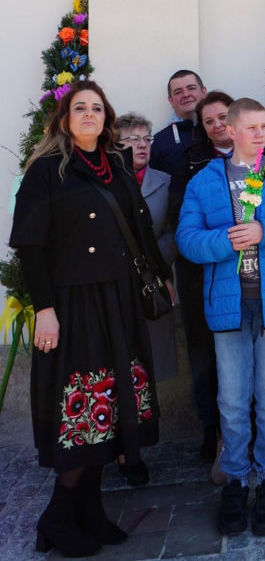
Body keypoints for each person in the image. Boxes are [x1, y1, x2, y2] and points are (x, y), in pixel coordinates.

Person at [10, 81, 174, 557]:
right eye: (79, 107)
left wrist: (160, 275)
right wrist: (45, 310)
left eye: (96, 108)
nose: (88, 114)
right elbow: (30, 247)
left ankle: (90, 511)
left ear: (106, 119)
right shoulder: (46, 171)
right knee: (80, 412)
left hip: (119, 300)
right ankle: (57, 519)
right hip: (73, 304)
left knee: (112, 407)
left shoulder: (115, 164)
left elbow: (139, 227)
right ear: (65, 119)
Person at [176, 97, 265, 537]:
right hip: (228, 306)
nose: (260, 134)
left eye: (264, 127)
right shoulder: (204, 181)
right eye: (252, 128)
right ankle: (236, 479)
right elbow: (187, 240)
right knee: (233, 401)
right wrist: (226, 240)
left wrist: (264, 231)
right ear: (231, 132)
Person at [168, 90, 235, 481]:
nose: (217, 125)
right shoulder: (190, 162)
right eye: (209, 121)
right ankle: (213, 430)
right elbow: (181, 222)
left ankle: (250, 432)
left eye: (223, 117)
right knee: (206, 358)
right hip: (202, 278)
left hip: (252, 278)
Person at [116, 112, 177, 393]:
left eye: (146, 139)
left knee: (152, 366)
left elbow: (175, 231)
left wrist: (150, 263)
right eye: (132, 139)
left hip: (155, 281)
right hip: (117, 280)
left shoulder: (166, 181)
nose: (142, 145)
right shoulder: (106, 184)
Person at [150, 69, 208, 178]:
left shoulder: (219, 130)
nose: (186, 94)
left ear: (204, 92)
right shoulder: (158, 142)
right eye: (178, 92)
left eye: (191, 88)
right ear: (171, 100)